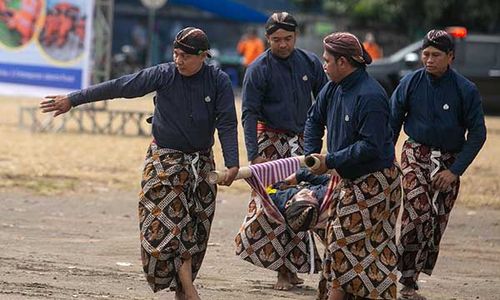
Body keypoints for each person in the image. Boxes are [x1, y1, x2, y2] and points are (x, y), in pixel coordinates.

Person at [40, 27, 240, 300]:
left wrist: (232, 163)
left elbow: (227, 122)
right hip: (163, 163)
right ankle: (189, 291)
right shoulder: (163, 74)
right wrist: (73, 100)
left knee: (195, 229)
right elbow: (121, 86)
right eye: (176, 54)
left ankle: (184, 287)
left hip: (201, 166)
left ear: (203, 56)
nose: (179, 60)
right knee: (166, 228)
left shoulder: (218, 81)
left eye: (185, 56)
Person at [391, 29, 487, 300]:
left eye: (435, 55)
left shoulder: (465, 90)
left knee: (435, 224)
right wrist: (388, 156)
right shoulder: (410, 83)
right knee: (417, 214)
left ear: (450, 57)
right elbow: (392, 121)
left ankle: (411, 280)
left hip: (449, 160)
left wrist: (454, 171)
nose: (429, 60)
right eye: (425, 55)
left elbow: (478, 134)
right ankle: (399, 274)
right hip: (415, 154)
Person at [305, 32, 401, 300]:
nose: (323, 65)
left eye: (327, 60)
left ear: (343, 62)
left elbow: (370, 146)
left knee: (343, 243)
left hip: (376, 183)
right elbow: (314, 119)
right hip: (348, 179)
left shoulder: (371, 96)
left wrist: (330, 161)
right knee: (345, 243)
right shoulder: (334, 86)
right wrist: (311, 155)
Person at [236, 11, 328, 290]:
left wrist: (319, 146)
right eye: (277, 39)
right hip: (269, 146)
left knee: (303, 204)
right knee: (274, 207)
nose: (283, 44)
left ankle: (292, 269)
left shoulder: (310, 63)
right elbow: (249, 113)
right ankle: (281, 272)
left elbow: (325, 101)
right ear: (267, 39)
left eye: (288, 38)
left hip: (303, 145)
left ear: (295, 36)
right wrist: (255, 154)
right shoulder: (258, 69)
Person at [269, 167, 331, 232]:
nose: (311, 192)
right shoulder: (320, 195)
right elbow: (328, 181)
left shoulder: (272, 200)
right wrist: (300, 174)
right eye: (314, 196)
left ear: (288, 203)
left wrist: (287, 181)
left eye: (304, 195)